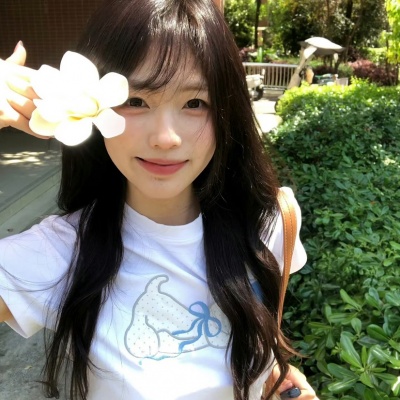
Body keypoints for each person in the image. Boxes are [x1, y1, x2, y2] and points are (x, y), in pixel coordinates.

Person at [0, 1, 318, 399]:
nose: (166, 138)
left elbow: (257, 336)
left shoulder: (269, 222)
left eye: (195, 103)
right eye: (136, 101)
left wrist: (272, 373)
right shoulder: (62, 251)